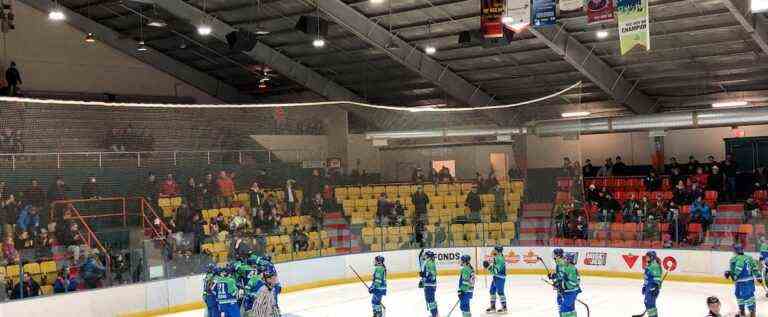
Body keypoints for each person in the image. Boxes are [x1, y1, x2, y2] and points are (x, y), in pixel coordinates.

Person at [724, 244, 761, 317]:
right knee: (748, 295)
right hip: (750, 280)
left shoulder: (736, 259)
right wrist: (758, 277)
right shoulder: (749, 257)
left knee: (745, 296)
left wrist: (732, 275)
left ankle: (750, 312)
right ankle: (748, 311)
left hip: (742, 281)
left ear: (735, 251)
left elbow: (738, 268)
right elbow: (754, 268)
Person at [552, 253, 582, 317]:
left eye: (565, 258)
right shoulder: (565, 266)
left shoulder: (572, 269)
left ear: (569, 260)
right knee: (570, 308)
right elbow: (561, 277)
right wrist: (555, 278)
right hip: (566, 291)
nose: (564, 259)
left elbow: (575, 283)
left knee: (564, 308)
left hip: (571, 292)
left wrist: (567, 280)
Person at [484, 246, 507, 313]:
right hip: (496, 277)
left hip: (500, 277)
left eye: (494, 249)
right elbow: (494, 267)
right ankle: (493, 307)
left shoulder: (500, 259)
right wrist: (489, 263)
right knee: (492, 291)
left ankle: (504, 307)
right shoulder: (497, 257)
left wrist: (488, 267)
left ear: (497, 251)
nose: (493, 250)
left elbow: (495, 270)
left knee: (500, 292)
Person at [642, 251, 663, 317]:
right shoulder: (650, 265)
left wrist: (656, 287)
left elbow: (657, 278)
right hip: (648, 287)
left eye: (647, 257)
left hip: (652, 288)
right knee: (647, 303)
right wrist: (644, 286)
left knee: (650, 304)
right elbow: (647, 277)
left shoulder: (655, 266)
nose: (646, 258)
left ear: (651, 257)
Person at [419, 250, 438, 317]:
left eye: (426, 255)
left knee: (430, 299)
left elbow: (433, 275)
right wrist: (423, 277)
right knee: (430, 299)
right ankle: (435, 313)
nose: (424, 256)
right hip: (430, 284)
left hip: (430, 284)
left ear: (428, 256)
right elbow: (428, 273)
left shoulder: (429, 263)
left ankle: (434, 314)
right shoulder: (429, 262)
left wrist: (424, 277)